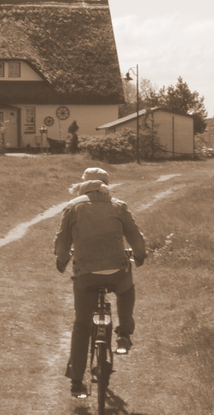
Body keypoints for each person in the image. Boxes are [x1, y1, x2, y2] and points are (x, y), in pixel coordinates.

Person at [54, 167, 147, 399]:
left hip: (86, 275)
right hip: (117, 272)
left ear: (83, 185)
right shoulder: (118, 206)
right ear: (106, 186)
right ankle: (124, 334)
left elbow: (62, 245)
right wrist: (140, 256)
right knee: (126, 289)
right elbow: (136, 237)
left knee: (82, 325)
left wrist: (62, 261)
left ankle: (77, 383)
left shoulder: (72, 207)